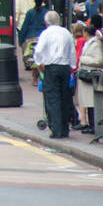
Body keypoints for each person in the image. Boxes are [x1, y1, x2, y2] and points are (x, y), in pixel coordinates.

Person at [33, 10, 77, 139]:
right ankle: (64, 129)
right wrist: (72, 67)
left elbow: (38, 50)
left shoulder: (46, 33)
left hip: (51, 67)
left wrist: (39, 63)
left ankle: (56, 130)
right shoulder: (66, 33)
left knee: (53, 99)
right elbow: (72, 51)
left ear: (46, 22)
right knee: (65, 98)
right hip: (65, 68)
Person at [76, 14, 103, 134]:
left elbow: (99, 60)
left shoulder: (95, 44)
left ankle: (93, 126)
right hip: (86, 76)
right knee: (87, 102)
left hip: (90, 75)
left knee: (91, 102)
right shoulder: (89, 42)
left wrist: (83, 59)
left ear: (87, 33)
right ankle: (90, 125)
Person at [18, 0, 49, 82]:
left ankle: (35, 77)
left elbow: (25, 27)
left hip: (30, 37)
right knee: (42, 57)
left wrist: (21, 40)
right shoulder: (46, 12)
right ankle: (42, 76)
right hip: (42, 36)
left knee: (33, 58)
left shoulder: (30, 12)